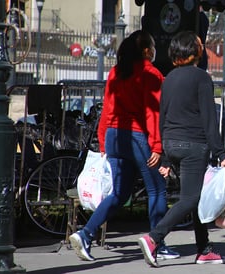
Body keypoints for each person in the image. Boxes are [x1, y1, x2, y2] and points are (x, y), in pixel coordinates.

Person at [69, 30, 179, 261]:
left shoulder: (116, 72)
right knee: (156, 189)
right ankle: (156, 242)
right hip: (138, 137)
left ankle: (86, 234)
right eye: (152, 46)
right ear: (147, 51)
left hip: (114, 137)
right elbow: (153, 113)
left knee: (118, 193)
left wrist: (102, 140)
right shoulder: (151, 74)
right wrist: (157, 146)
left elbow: (107, 108)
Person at [138, 31, 225, 267]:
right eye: (200, 44)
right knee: (191, 198)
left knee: (194, 197)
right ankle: (154, 238)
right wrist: (220, 152)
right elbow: (209, 120)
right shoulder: (201, 78)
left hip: (172, 143)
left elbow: (163, 116)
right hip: (194, 145)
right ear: (194, 51)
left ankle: (204, 249)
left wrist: (167, 158)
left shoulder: (168, 79)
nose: (203, 47)